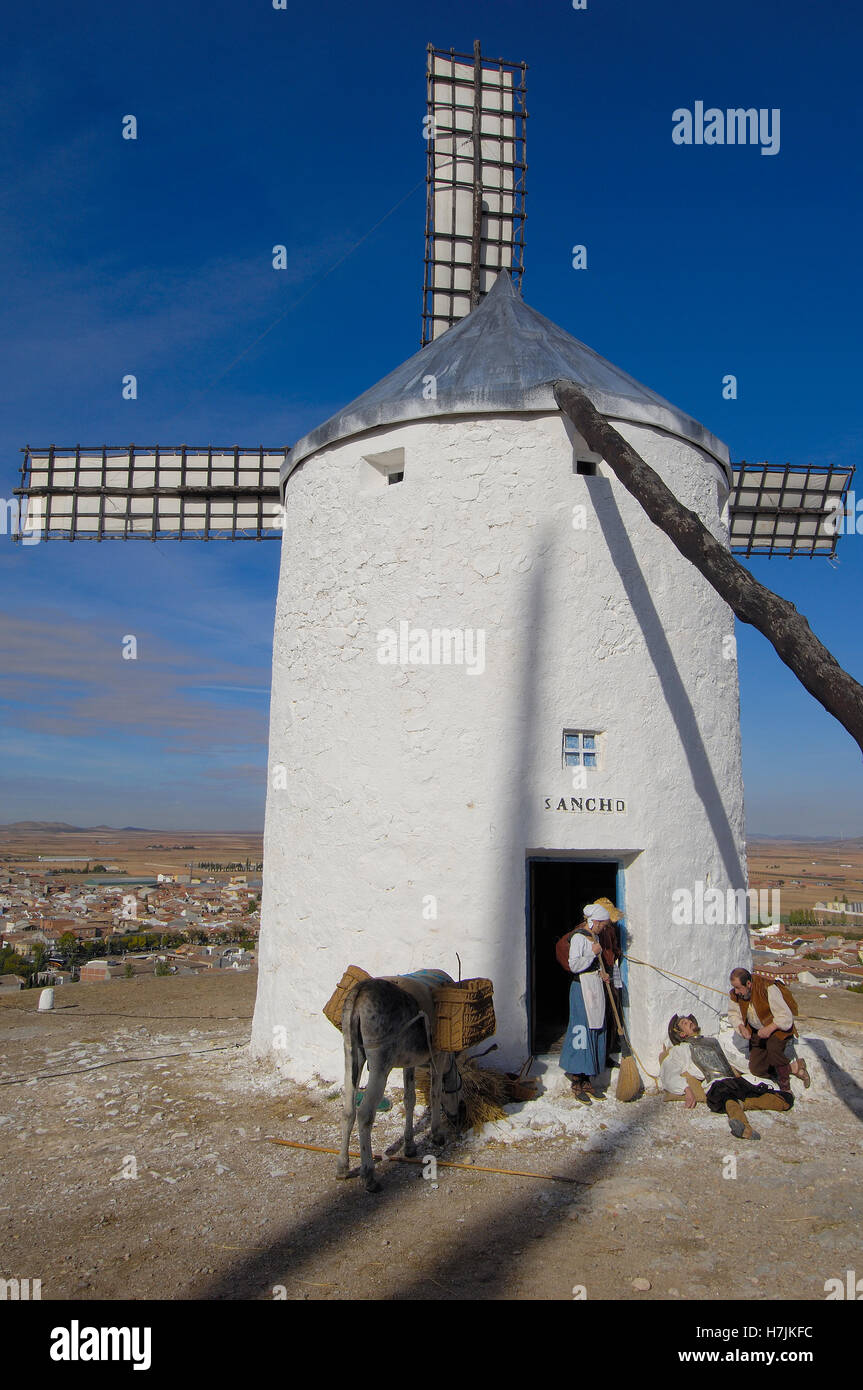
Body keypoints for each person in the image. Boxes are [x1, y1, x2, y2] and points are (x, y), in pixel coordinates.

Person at [661, 1013, 793, 1140]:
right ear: (682, 1034)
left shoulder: (713, 1041)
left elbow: (733, 1059)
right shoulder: (682, 1049)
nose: (689, 1022)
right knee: (727, 1097)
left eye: (689, 1020)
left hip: (733, 1081)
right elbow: (669, 1071)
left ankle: (758, 1103)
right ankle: (744, 1128)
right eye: (684, 1023)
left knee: (782, 1098)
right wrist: (685, 1089)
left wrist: (759, 1068)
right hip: (716, 1086)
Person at [558, 903, 610, 1104]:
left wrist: (602, 973)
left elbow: (594, 963)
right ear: (594, 921)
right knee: (581, 1030)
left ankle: (588, 1078)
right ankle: (576, 1080)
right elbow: (574, 964)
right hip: (582, 988)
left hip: (595, 985)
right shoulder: (579, 937)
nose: (603, 928)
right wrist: (591, 953)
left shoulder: (594, 937)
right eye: (602, 925)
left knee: (595, 1028)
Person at [728, 968, 810, 1091]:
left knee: (773, 1050)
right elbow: (733, 1014)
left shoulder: (767, 988)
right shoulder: (735, 994)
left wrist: (770, 1028)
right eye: (734, 987)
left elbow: (785, 1016)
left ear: (748, 984)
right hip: (758, 1031)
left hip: (777, 1028)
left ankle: (785, 1088)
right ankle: (794, 1067)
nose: (736, 991)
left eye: (739, 988)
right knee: (757, 1069)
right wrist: (740, 1026)